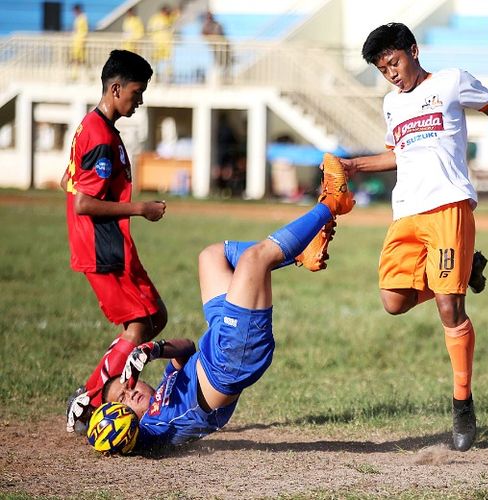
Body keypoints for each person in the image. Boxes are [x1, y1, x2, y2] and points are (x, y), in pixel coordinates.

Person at [337, 23, 488, 452]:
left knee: (449, 306)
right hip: (405, 211)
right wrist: (354, 166)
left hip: (448, 205)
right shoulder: (391, 104)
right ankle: (466, 268)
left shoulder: (451, 82)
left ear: (413, 50)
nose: (389, 73)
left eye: (394, 62)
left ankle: (462, 404)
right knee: (393, 301)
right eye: (381, 68)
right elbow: (397, 154)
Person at [99, 155, 354, 449]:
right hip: (229, 363)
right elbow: (128, 443)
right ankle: (333, 203)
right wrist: (108, 433)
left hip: (215, 342)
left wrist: (152, 350)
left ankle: (299, 253)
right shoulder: (153, 428)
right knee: (253, 260)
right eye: (122, 403)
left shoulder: (162, 391)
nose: (130, 395)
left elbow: (186, 350)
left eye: (127, 387)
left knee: (212, 256)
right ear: (125, 423)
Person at [61, 50, 169, 433]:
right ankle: (90, 399)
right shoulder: (99, 135)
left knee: (157, 317)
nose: (139, 100)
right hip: (101, 245)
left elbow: (68, 180)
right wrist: (140, 208)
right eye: (137, 92)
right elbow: (84, 202)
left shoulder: (96, 128)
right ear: (116, 87)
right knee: (139, 326)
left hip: (114, 243)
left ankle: (112, 390)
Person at [148, 4, 178, 81]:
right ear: (162, 11)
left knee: (168, 63)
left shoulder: (169, 18)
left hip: (167, 45)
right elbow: (150, 30)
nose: (167, 13)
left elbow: (177, 15)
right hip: (157, 45)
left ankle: (167, 79)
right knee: (155, 62)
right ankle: (154, 78)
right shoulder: (155, 19)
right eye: (166, 11)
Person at [201, 11, 231, 79]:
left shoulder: (217, 24)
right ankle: (220, 76)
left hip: (222, 47)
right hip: (215, 48)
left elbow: (221, 33)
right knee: (218, 62)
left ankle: (224, 76)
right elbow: (203, 34)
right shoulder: (206, 25)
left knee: (224, 62)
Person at [70, 4, 88, 73]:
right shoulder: (78, 18)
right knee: (77, 59)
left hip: (80, 42)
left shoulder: (83, 18)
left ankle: (75, 75)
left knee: (80, 60)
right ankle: (74, 75)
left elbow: (84, 31)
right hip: (76, 41)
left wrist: (83, 41)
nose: (73, 13)